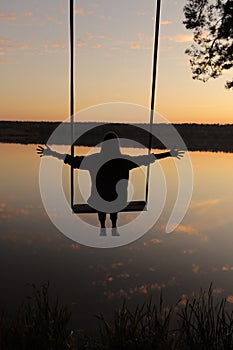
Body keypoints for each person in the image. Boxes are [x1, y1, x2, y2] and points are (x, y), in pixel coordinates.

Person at [37, 132, 184, 229]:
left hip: (97, 200)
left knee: (100, 199)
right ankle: (113, 224)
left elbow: (72, 161)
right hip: (118, 201)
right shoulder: (124, 161)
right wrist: (169, 154)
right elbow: (147, 159)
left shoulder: (94, 160)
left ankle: (102, 225)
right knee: (115, 200)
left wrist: (51, 153)